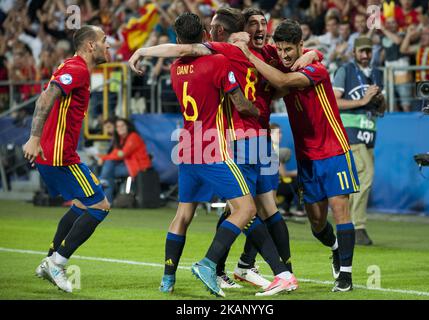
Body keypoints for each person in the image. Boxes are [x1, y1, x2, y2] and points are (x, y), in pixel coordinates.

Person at [129, 8, 321, 294]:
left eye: (262, 23)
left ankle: (178, 277)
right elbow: (240, 98)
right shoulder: (222, 57)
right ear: (211, 33)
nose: (259, 28)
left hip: (198, 146)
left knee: (217, 210)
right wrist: (255, 106)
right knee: (249, 208)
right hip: (224, 142)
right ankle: (246, 268)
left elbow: (294, 61)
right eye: (253, 23)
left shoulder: (179, 67)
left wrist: (310, 54)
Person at [233, 19, 360, 292]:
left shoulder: (316, 69)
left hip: (334, 149)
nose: (284, 55)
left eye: (289, 49)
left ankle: (346, 276)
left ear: (300, 46)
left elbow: (280, 80)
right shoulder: (284, 63)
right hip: (307, 156)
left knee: (340, 210)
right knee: (316, 223)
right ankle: (336, 247)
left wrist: (246, 55)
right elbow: (274, 74)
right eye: (280, 49)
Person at [22, 25, 111, 293]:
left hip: (56, 154)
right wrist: (34, 138)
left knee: (82, 205)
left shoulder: (71, 65)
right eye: (105, 41)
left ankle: (49, 260)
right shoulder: (78, 69)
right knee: (99, 206)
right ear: (91, 46)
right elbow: (45, 98)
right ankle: (57, 263)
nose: (109, 46)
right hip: (60, 156)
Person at [333, 37, 386, 245]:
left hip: (369, 132)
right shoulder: (344, 71)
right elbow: (334, 102)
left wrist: (379, 101)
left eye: (368, 51)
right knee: (366, 175)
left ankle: (347, 226)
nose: (365, 55)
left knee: (357, 181)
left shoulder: (377, 74)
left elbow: (381, 110)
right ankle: (358, 226)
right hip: (350, 131)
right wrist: (363, 100)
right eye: (361, 51)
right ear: (353, 52)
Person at [98, 118, 151, 203]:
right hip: (128, 166)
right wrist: (102, 157)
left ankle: (103, 189)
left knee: (107, 172)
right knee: (108, 170)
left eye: (122, 125)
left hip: (138, 167)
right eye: (118, 126)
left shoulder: (133, 136)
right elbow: (115, 153)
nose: (120, 128)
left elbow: (123, 154)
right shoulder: (121, 139)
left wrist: (103, 158)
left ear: (128, 126)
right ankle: (106, 197)